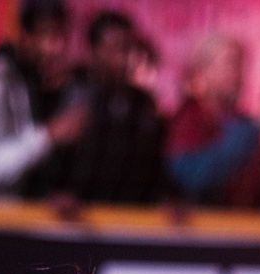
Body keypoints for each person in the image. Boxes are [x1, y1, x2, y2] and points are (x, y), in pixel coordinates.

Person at [39, 11, 166, 205]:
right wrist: (55, 193)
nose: (126, 58)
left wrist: (164, 197)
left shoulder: (142, 104)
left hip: (126, 215)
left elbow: (152, 166)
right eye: (118, 48)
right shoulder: (70, 95)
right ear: (94, 51)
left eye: (130, 48)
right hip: (73, 216)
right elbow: (47, 158)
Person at [0, 0, 87, 201]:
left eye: (62, 36)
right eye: (48, 35)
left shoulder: (40, 82)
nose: (57, 48)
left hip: (32, 214)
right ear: (26, 37)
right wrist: (47, 136)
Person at [164, 33, 260, 210]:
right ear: (203, 71)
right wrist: (252, 131)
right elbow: (193, 178)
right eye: (229, 63)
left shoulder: (243, 124)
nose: (238, 74)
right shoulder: (189, 121)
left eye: (241, 65)